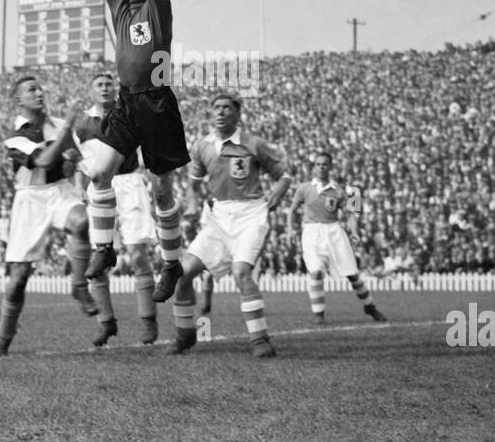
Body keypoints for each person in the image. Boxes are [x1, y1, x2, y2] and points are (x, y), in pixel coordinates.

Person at [81, 0, 190, 304]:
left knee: (162, 192)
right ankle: (104, 249)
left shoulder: (158, 8)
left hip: (158, 102)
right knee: (98, 174)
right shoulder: (122, 12)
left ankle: (172, 262)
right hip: (128, 101)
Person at [166, 91, 291, 357]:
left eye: (226, 107)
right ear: (211, 114)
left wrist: (278, 194)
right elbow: (193, 186)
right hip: (218, 216)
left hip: (250, 214)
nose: (221, 112)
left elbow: (284, 176)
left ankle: (260, 341)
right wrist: (190, 204)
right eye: (216, 108)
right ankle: (185, 335)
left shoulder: (253, 143)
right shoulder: (202, 146)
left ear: (237, 113)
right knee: (183, 273)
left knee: (241, 272)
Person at [0, 76, 96, 356]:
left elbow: (66, 165)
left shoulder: (59, 125)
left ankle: (78, 286)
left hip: (59, 190)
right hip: (30, 197)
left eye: (39, 88)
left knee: (81, 221)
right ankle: (3, 340)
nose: (38, 93)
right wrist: (68, 129)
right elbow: (43, 161)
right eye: (31, 90)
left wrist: (72, 161)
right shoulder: (15, 136)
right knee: (18, 278)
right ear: (19, 100)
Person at [72, 71, 160, 346]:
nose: (105, 88)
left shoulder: (128, 114)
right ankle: (107, 323)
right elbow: (77, 162)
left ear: (116, 88)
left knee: (137, 254)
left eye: (109, 84)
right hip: (98, 187)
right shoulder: (82, 123)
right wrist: (78, 190)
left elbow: (149, 151)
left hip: (129, 184)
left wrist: (155, 184)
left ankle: (148, 320)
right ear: (92, 90)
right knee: (99, 257)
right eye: (99, 84)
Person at [286, 150, 386, 325]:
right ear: (313, 167)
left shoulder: (340, 190)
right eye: (318, 164)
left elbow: (351, 214)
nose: (321, 167)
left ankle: (370, 306)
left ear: (330, 167)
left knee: (352, 275)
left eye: (324, 164)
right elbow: (292, 211)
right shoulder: (304, 188)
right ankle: (319, 313)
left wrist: (354, 232)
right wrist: (290, 229)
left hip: (334, 231)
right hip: (311, 232)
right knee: (316, 272)